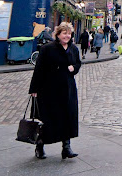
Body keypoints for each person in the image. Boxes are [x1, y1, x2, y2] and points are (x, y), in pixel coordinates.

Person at [29, 22, 81, 160]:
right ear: (58, 34)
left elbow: (78, 63)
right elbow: (39, 69)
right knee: (47, 120)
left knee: (67, 118)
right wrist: (34, 88)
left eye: (69, 34)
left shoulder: (73, 49)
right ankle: (40, 146)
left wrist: (74, 68)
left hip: (68, 89)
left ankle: (66, 147)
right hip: (49, 89)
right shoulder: (47, 49)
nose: (67, 36)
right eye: (64, 33)